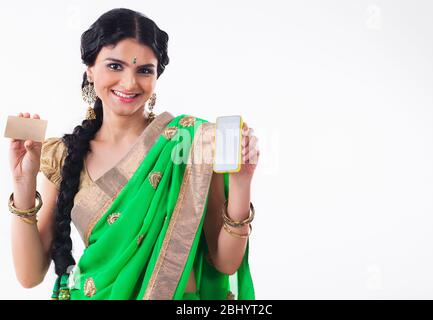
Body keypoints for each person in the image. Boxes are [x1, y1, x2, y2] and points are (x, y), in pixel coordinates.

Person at [8, 8, 259, 300]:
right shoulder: (61, 155)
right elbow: (29, 276)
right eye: (115, 66)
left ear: (156, 77)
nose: (129, 83)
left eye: (144, 70)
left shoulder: (193, 144)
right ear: (90, 69)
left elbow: (226, 262)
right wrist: (23, 185)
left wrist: (241, 183)